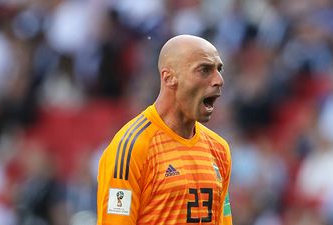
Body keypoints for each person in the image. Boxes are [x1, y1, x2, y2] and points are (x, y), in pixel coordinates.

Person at [97, 34, 233, 225]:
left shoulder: (219, 150)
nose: (219, 80)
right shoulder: (132, 147)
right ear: (169, 78)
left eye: (219, 69)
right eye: (204, 70)